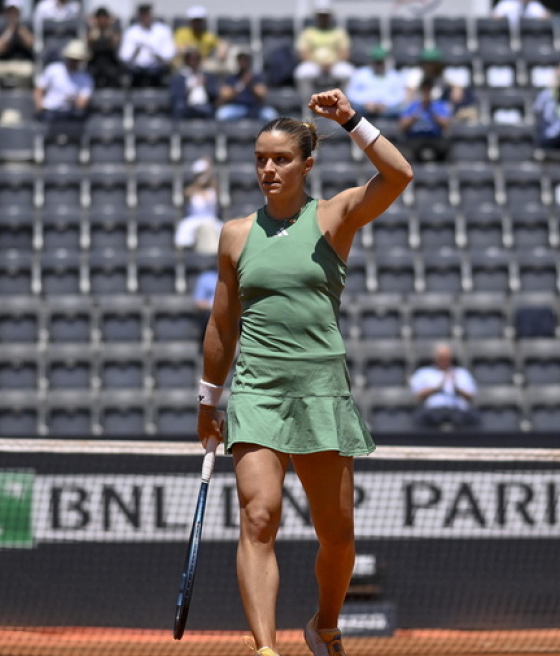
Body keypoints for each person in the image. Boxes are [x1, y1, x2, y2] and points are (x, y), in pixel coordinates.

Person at [196, 89, 412, 656]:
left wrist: (351, 120)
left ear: (306, 163)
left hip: (321, 391)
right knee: (258, 517)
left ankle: (326, 623)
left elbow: (398, 175)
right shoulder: (236, 234)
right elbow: (222, 326)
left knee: (337, 539)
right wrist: (206, 402)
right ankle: (266, 649)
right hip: (257, 390)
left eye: (281, 159)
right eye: (261, 159)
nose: (269, 168)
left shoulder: (335, 214)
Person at [409, 343, 479, 430]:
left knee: (474, 416)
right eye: (441, 358)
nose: (444, 361)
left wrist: (457, 388)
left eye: (447, 358)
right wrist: (436, 388)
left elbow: (470, 396)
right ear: (435, 358)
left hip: (457, 409)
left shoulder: (461, 373)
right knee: (419, 417)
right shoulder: (424, 373)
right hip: (433, 409)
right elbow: (418, 395)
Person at [293, 0, 354, 88]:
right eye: (321, 15)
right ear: (316, 16)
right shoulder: (308, 33)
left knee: (347, 72)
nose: (323, 18)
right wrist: (320, 65)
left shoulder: (339, 33)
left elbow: (345, 53)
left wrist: (331, 65)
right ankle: (307, 101)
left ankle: (343, 100)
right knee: (302, 73)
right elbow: (303, 53)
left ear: (330, 16)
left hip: (335, 65)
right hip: (314, 65)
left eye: (325, 15)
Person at [35, 40, 93, 122]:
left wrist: (72, 100)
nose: (73, 62)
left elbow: (82, 103)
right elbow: (39, 90)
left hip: (70, 113)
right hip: (50, 110)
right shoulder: (53, 69)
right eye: (71, 58)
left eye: (76, 59)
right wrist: (39, 106)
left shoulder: (85, 78)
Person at [118, 3, 175, 88]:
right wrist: (136, 51)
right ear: (139, 15)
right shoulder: (131, 32)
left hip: (157, 68)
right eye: (143, 14)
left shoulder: (163, 30)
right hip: (136, 70)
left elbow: (169, 54)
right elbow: (124, 56)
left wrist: (155, 53)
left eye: (147, 14)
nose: (146, 17)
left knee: (156, 73)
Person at [399, 77, 453, 163]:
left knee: (447, 146)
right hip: (415, 139)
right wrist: (418, 112)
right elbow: (403, 127)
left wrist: (432, 112)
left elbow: (446, 125)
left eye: (429, 89)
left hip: (434, 138)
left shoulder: (439, 105)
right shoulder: (413, 105)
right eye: (424, 89)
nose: (426, 92)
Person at [175, 158, 223, 254]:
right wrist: (198, 186)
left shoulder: (214, 188)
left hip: (210, 220)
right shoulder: (190, 191)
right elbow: (187, 194)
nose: (202, 177)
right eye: (200, 175)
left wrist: (208, 169)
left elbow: (216, 194)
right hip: (193, 220)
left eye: (204, 174)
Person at [347, 45, 407, 120]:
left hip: (387, 110)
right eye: (376, 62)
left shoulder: (395, 76)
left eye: (380, 62)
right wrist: (365, 103)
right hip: (364, 109)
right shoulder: (360, 74)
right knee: (352, 109)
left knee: (401, 110)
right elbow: (351, 94)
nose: (378, 65)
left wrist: (385, 105)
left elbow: (400, 96)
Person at [216, 50, 277, 122]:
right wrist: (241, 84)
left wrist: (251, 83)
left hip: (255, 107)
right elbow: (225, 96)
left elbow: (262, 94)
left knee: (271, 114)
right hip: (237, 107)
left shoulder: (257, 77)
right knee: (221, 114)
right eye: (241, 60)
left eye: (245, 60)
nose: (243, 62)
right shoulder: (231, 78)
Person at [0, 0, 35, 87]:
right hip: (2, 63)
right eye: (10, 11)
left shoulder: (27, 25)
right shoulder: (0, 26)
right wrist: (10, 30)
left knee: (28, 70)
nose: (12, 13)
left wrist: (18, 28)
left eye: (15, 11)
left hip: (21, 63)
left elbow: (31, 44)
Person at [173, 5, 227, 72]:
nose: (197, 23)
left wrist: (222, 51)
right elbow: (181, 50)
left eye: (199, 21)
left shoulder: (207, 36)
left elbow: (221, 43)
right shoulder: (181, 33)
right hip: (184, 63)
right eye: (194, 20)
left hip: (202, 64)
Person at [170, 48, 218, 120]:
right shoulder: (179, 77)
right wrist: (190, 86)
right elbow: (177, 96)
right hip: (186, 105)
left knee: (210, 110)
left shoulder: (207, 76)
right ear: (186, 61)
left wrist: (205, 85)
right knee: (179, 108)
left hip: (204, 105)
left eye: (196, 59)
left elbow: (214, 94)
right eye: (191, 59)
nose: (194, 62)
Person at [87, 7, 122, 88]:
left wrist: (109, 27)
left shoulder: (113, 29)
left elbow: (113, 45)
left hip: (110, 63)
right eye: (99, 17)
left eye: (104, 17)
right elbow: (89, 45)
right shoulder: (92, 30)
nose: (102, 20)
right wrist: (94, 27)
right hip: (95, 63)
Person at [192, 268, 218, 349]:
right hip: (210, 312)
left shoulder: (238, 278)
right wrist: (213, 306)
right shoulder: (206, 278)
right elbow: (198, 303)